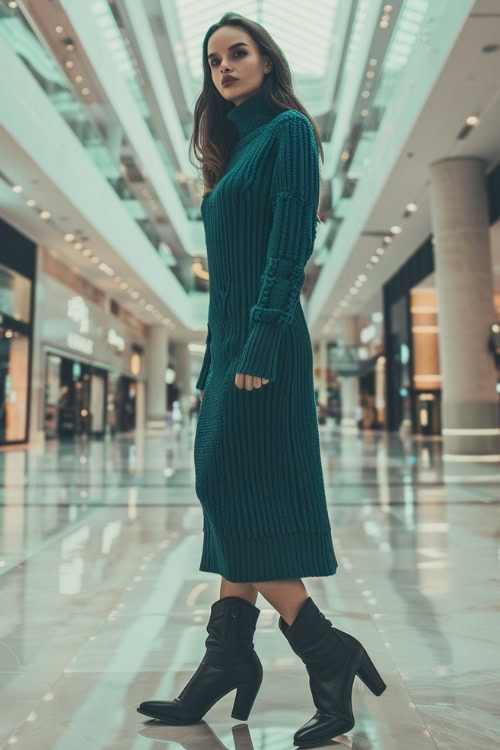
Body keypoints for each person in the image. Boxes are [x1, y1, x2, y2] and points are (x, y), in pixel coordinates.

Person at [137, 12, 386, 746]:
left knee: (235, 489)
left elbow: (291, 242)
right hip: (231, 350)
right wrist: (215, 365)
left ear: (268, 62)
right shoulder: (234, 152)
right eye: (213, 60)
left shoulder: (288, 134)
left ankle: (326, 652)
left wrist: (261, 342)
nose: (223, 67)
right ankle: (225, 658)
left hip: (265, 347)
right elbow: (221, 285)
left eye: (237, 53)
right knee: (228, 492)